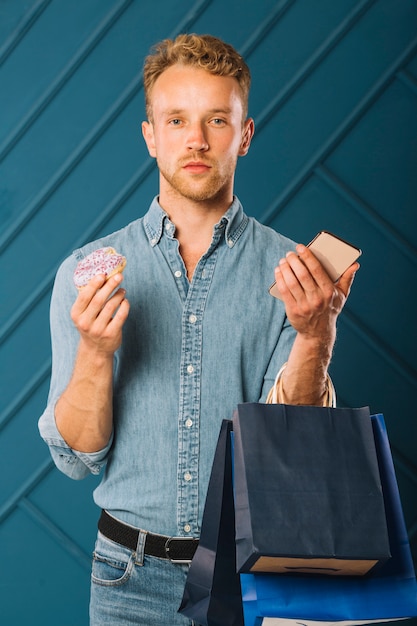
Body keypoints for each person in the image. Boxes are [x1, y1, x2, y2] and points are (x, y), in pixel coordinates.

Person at [39, 33, 358, 626]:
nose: (196, 139)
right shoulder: (85, 278)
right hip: (125, 578)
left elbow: (296, 450)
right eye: (177, 119)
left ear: (245, 135)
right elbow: (77, 460)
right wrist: (94, 351)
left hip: (253, 574)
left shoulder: (294, 274)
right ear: (150, 136)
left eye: (217, 119)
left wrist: (315, 336)